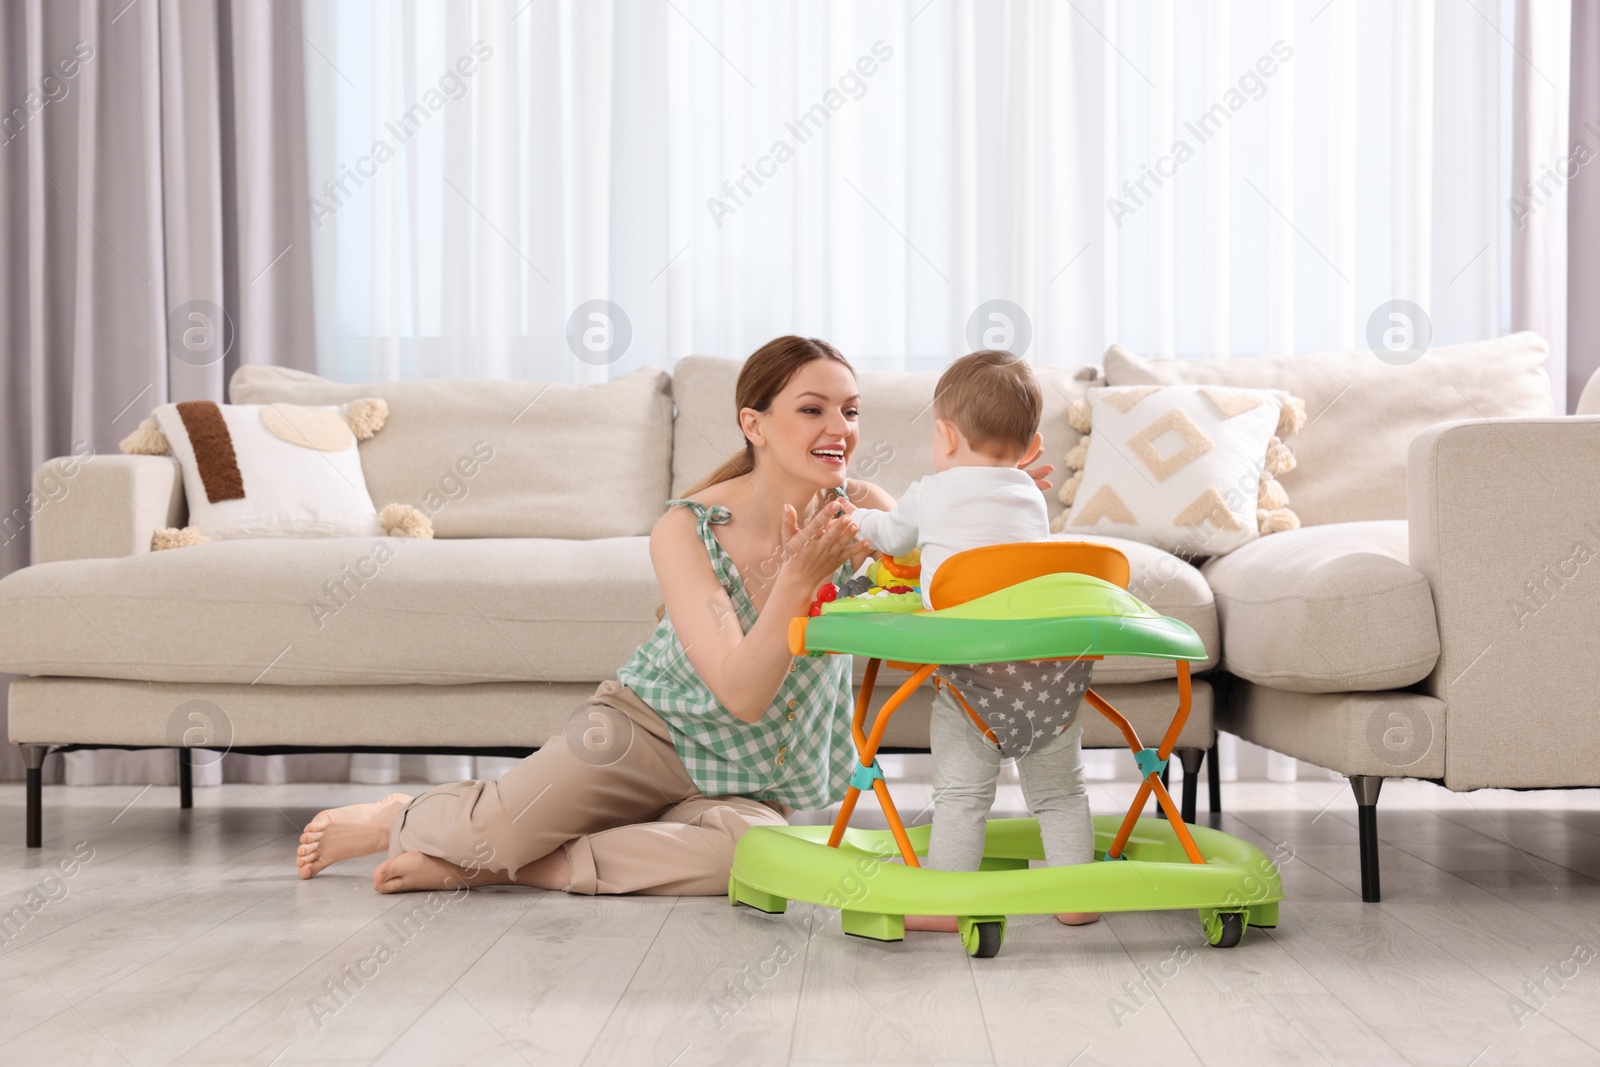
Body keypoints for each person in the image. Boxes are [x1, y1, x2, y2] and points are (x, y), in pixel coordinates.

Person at [294, 336, 1057, 900]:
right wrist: (794, 584)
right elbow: (741, 691)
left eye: (851, 411)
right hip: (645, 736)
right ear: (753, 425)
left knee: (763, 858)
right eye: (813, 408)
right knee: (500, 820)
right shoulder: (685, 528)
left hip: (755, 780)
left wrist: (990, 500)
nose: (841, 427)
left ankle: (519, 862)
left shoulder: (869, 517)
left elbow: (951, 597)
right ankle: (409, 818)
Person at [844, 349, 1099, 930]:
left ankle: (948, 902)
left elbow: (890, 534)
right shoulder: (1031, 495)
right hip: (1047, 683)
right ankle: (1077, 897)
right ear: (1031, 446)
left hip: (971, 686)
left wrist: (852, 518)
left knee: (962, 797)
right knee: (1061, 796)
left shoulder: (930, 491)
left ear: (946, 435)